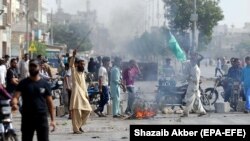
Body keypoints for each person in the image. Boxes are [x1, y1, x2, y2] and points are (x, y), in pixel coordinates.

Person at [11, 59, 56, 141]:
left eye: (34, 66)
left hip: (41, 117)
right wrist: (14, 104)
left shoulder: (45, 84)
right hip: (27, 117)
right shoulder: (23, 83)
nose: (32, 68)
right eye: (30, 66)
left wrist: (53, 120)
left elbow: (50, 103)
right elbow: (15, 97)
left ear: (39, 67)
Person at [69, 49, 92, 134]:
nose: (83, 65)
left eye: (84, 64)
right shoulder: (74, 71)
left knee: (88, 110)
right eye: (81, 64)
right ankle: (76, 129)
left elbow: (84, 85)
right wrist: (74, 56)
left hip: (83, 94)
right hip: (76, 95)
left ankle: (79, 125)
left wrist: (87, 94)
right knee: (77, 112)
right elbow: (71, 65)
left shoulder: (83, 73)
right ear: (77, 64)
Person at [181, 52, 206, 117]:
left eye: (193, 58)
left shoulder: (196, 69)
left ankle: (185, 113)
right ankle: (202, 111)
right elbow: (185, 62)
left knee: (189, 99)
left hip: (193, 86)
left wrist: (189, 77)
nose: (191, 59)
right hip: (192, 85)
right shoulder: (191, 64)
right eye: (191, 57)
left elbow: (196, 80)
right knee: (196, 100)